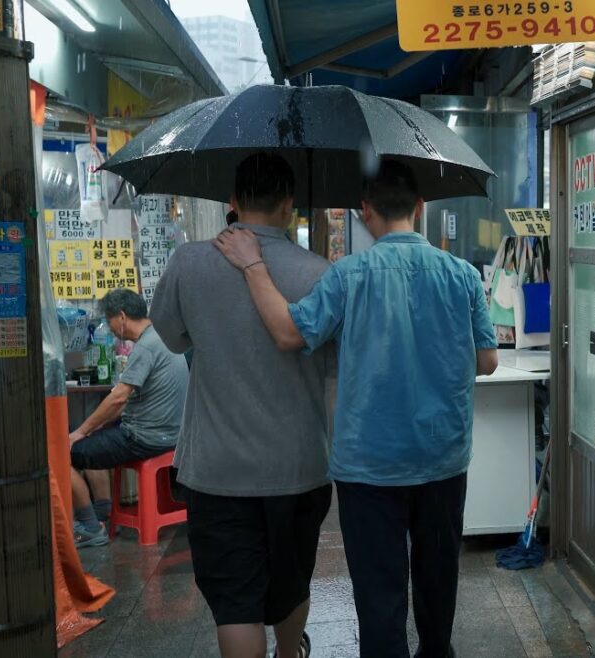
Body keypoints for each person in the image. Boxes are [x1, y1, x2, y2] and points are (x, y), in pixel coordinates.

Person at [214, 160, 499, 658]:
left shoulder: (348, 276)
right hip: (442, 459)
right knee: (438, 588)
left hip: (369, 467)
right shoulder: (462, 276)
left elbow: (288, 332)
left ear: (364, 212)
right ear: (420, 207)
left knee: (378, 596)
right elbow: (488, 361)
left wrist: (254, 265)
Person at [150, 152, 335, 658]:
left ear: (232, 203)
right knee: (291, 580)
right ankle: (289, 651)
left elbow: (170, 337)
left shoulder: (189, 262)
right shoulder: (319, 273)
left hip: (216, 470)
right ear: (289, 205)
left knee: (236, 601)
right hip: (298, 465)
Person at [69, 288, 188, 548]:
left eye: (109, 320)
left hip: (147, 438)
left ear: (121, 317)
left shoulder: (146, 346)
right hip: (171, 434)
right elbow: (123, 402)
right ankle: (103, 515)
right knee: (91, 441)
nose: (109, 328)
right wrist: (90, 428)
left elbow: (119, 397)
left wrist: (79, 432)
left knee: (64, 453)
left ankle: (90, 527)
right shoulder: (162, 337)